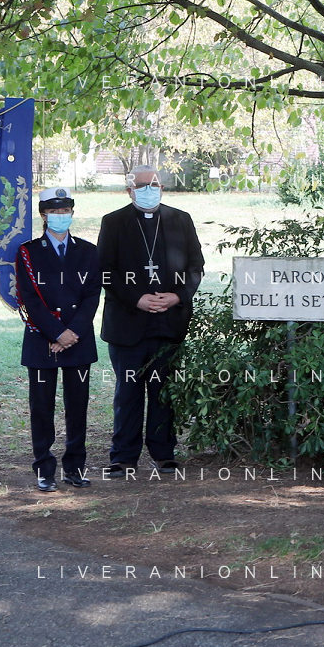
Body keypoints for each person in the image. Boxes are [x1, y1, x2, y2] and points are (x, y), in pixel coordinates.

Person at [98, 167, 204, 477]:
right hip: (127, 321)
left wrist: (177, 296)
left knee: (163, 392)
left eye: (154, 184)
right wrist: (137, 299)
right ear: (129, 191)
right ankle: (123, 456)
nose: (148, 189)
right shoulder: (113, 222)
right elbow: (105, 271)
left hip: (169, 321)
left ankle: (164, 453)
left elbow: (196, 265)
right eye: (141, 185)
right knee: (127, 393)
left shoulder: (180, 219)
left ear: (162, 187)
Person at [14, 188, 101, 491]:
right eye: (54, 212)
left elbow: (92, 296)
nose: (61, 216)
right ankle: (44, 468)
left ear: (72, 213)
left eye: (65, 211)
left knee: (77, 407)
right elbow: (29, 298)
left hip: (78, 340)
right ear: (43, 215)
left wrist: (71, 333)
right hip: (42, 341)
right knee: (42, 407)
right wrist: (56, 333)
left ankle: (74, 467)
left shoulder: (88, 251)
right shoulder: (28, 251)